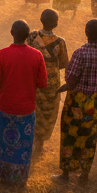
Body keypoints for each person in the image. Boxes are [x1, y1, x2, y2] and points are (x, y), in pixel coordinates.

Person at [53, 18, 97, 185]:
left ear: (86, 32)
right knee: (89, 136)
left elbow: (70, 78)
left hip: (76, 100)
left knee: (69, 134)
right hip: (94, 101)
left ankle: (65, 173)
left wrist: (65, 87)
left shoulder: (80, 53)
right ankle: (84, 175)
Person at [0, 20, 48, 185]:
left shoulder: (2, 54)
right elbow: (43, 83)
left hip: (6, 107)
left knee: (4, 143)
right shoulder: (37, 56)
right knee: (23, 144)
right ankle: (20, 178)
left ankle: (4, 177)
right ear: (28, 36)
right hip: (27, 109)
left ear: (11, 33)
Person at [27, 9, 69, 155]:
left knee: (35, 108)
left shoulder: (32, 37)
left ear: (41, 20)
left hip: (33, 78)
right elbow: (64, 63)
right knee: (49, 110)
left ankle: (31, 137)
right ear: (56, 23)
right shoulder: (60, 42)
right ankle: (41, 142)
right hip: (51, 81)